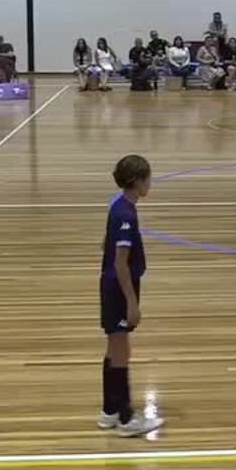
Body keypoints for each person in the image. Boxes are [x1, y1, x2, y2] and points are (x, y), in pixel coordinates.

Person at [97, 154, 165, 437]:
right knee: (122, 350)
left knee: (115, 348)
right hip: (120, 288)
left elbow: (104, 244)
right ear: (137, 181)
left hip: (110, 285)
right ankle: (126, 418)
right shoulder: (126, 214)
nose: (151, 183)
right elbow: (120, 262)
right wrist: (132, 303)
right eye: (148, 178)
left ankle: (110, 411)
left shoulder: (117, 204)